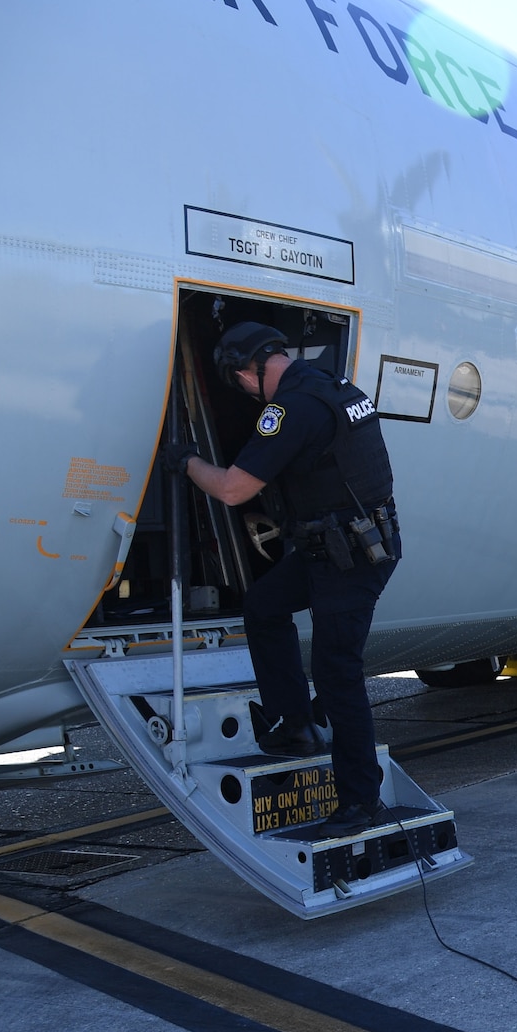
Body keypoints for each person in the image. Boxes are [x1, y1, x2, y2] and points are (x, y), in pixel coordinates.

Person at [174, 322, 401, 832]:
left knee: (338, 673)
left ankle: (361, 802)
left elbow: (233, 490)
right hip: (344, 547)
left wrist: (187, 462)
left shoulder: (290, 409)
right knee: (264, 606)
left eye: (239, 383)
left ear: (247, 373)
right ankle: (294, 722)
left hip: (348, 560)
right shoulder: (335, 387)